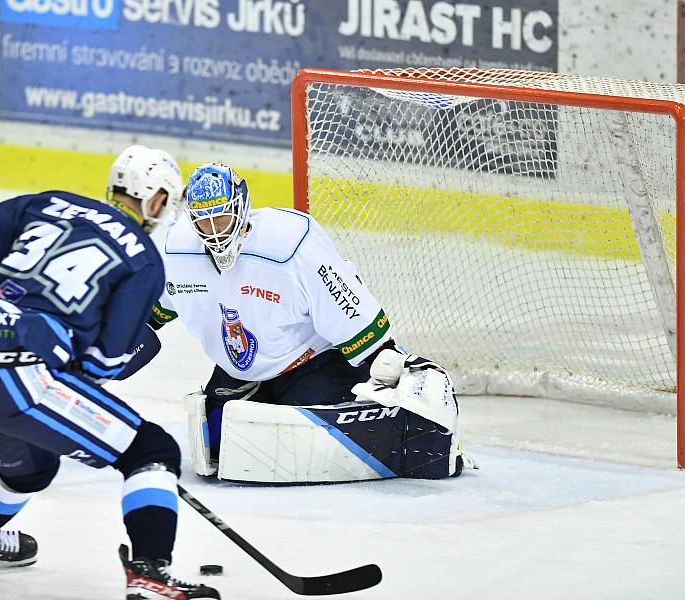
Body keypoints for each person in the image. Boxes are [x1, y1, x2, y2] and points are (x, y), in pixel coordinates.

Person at [0, 145, 220, 600]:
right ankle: (151, 574)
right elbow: (103, 364)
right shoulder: (144, 259)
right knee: (150, 450)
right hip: (23, 376)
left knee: (33, 466)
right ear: (157, 200)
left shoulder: (48, 204)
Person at [144, 162, 463, 483]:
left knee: (290, 438)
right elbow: (162, 303)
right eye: (203, 222)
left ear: (241, 209)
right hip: (241, 371)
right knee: (217, 440)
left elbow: (342, 297)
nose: (214, 231)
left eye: (221, 218)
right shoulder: (181, 250)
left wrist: (385, 356)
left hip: (313, 361)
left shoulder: (290, 244)